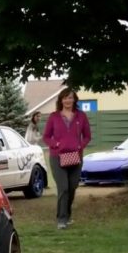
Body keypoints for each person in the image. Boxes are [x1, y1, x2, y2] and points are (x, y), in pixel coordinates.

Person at [42, 87, 92, 229]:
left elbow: (87, 136)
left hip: (76, 156)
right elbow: (46, 137)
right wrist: (56, 144)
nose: (67, 100)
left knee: (72, 187)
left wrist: (80, 145)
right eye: (65, 98)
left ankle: (67, 215)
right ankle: (61, 219)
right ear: (61, 100)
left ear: (74, 99)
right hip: (57, 157)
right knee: (63, 187)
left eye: (70, 97)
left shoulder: (81, 116)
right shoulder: (54, 117)